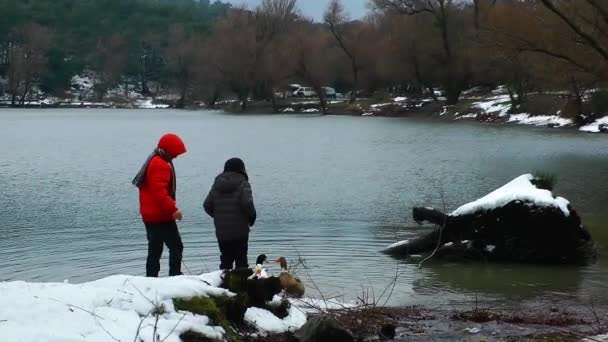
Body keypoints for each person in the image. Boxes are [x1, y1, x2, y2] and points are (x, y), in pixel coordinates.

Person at [133, 133, 187, 277]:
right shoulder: (160, 164)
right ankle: (175, 276)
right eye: (176, 153)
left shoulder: (153, 159)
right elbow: (160, 193)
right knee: (176, 246)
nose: (176, 156)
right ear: (169, 150)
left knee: (155, 249)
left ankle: (151, 278)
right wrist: (174, 209)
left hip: (149, 214)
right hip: (160, 215)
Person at [204, 158, 256, 270]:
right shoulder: (243, 183)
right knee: (241, 261)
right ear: (242, 169)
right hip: (240, 231)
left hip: (222, 231)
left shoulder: (216, 185)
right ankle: (241, 286)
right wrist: (252, 217)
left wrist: (219, 216)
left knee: (225, 261)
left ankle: (223, 285)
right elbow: (247, 203)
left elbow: (207, 205)